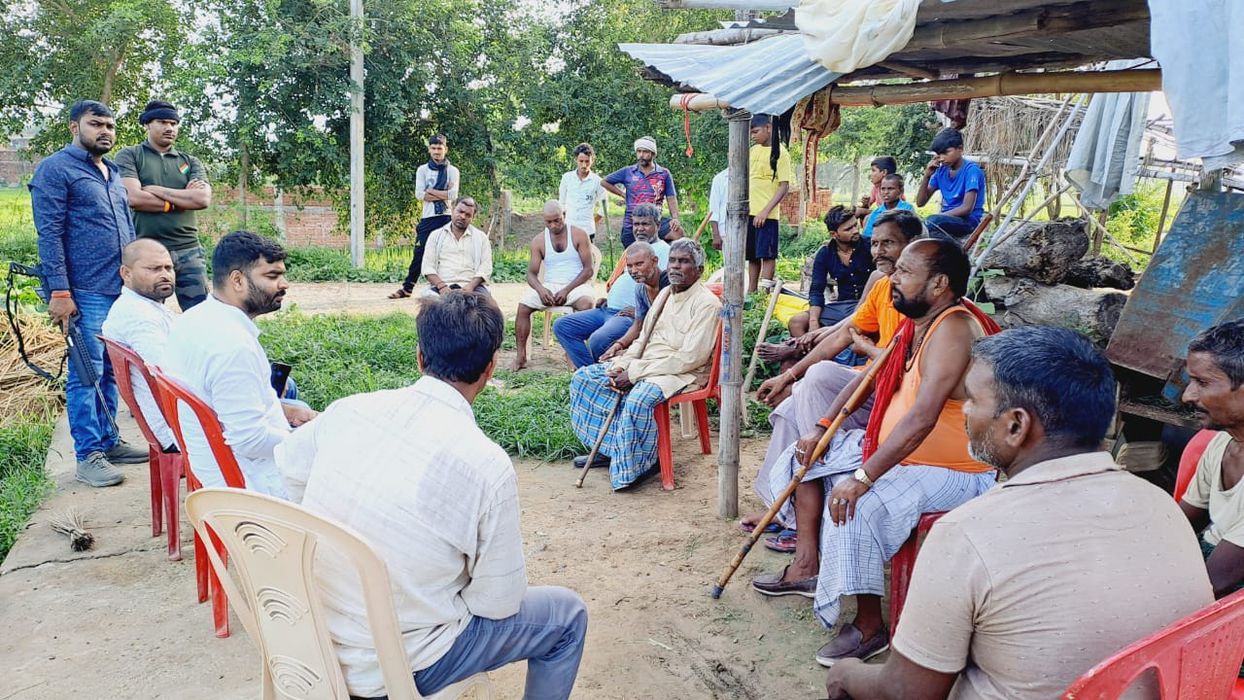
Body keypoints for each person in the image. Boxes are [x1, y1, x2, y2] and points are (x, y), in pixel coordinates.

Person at [825, 326, 1215, 700]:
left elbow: (905, 693)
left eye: (973, 400)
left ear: (1015, 425)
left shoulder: (967, 533)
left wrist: (846, 674)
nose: (965, 413)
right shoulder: (1160, 504)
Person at [275, 291, 588, 700]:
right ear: (490, 369)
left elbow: (289, 469)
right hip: (398, 666)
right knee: (567, 618)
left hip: (308, 636)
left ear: (420, 356)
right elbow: (497, 602)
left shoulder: (349, 409)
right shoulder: (487, 465)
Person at [751, 239, 1000, 667]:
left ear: (939, 284)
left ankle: (870, 627)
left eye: (904, 271)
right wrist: (822, 428)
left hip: (954, 468)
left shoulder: (954, 330)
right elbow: (868, 377)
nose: (892, 278)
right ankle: (807, 565)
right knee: (804, 456)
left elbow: (922, 419)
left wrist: (863, 477)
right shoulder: (917, 323)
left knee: (856, 503)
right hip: (905, 455)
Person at [29, 99, 147, 488]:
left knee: (113, 369)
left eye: (110, 126)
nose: (105, 132)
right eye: (96, 124)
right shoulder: (55, 170)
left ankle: (110, 441)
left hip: (119, 289)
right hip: (82, 289)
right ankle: (87, 455)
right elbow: (50, 233)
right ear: (73, 127)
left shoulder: (112, 173)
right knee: (87, 371)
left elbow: (126, 230)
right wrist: (60, 290)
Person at [162, 231, 317, 497]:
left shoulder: (194, 319)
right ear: (237, 280)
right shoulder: (232, 346)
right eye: (272, 276)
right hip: (252, 484)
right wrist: (309, 441)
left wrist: (286, 412)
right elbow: (249, 440)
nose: (284, 284)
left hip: (218, 466)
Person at [568, 239, 720, 490]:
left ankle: (644, 463)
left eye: (684, 262)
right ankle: (611, 448)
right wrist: (624, 363)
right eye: (673, 260)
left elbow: (691, 358)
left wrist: (635, 373)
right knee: (586, 378)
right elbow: (643, 338)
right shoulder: (663, 295)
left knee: (638, 398)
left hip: (681, 372)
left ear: (699, 270)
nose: (675, 267)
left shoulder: (707, 303)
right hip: (648, 362)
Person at [754, 209, 923, 403]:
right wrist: (815, 324)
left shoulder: (911, 292)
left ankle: (794, 353)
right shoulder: (830, 255)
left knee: (817, 376)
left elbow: (900, 359)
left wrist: (862, 346)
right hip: (844, 309)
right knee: (799, 323)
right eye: (876, 244)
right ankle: (796, 352)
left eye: (888, 243)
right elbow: (819, 294)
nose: (878, 251)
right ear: (834, 234)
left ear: (912, 244)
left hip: (887, 377)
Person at [114, 99, 212, 311]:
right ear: (147, 124)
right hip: (146, 250)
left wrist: (156, 190)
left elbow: (201, 199)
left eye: (174, 123)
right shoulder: (130, 155)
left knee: (199, 312)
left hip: (188, 249)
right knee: (147, 311)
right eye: (162, 122)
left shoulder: (189, 161)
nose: (169, 128)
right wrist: (182, 199)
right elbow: (133, 198)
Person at [552, 205, 669, 368]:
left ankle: (597, 374)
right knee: (562, 326)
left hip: (628, 316)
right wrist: (610, 297)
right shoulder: (633, 249)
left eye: (645, 224)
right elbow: (623, 279)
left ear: (658, 224)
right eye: (636, 224)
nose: (639, 229)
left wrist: (643, 312)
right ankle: (588, 370)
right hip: (607, 309)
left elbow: (666, 290)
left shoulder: (665, 251)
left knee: (598, 339)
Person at [1179, 319, 1244, 597]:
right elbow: (1178, 525)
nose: (1187, 396)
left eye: (1202, 382)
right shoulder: (1221, 443)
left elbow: (1214, 584)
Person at [101, 239, 179, 452]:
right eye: (154, 269)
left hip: (174, 419)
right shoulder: (139, 317)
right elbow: (170, 374)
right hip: (176, 429)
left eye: (168, 268)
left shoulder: (143, 306)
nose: (165, 274)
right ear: (126, 273)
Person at [512, 201, 596, 371]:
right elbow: (531, 274)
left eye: (557, 220)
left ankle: (573, 352)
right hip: (550, 286)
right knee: (523, 307)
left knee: (587, 304)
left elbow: (588, 270)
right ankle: (521, 356)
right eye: (548, 222)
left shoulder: (579, 234)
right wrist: (541, 290)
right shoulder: (538, 240)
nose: (553, 225)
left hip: (575, 285)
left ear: (564, 215)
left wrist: (567, 290)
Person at [785, 205, 874, 340]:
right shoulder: (825, 253)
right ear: (834, 234)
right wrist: (813, 323)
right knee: (796, 322)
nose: (855, 231)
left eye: (855, 225)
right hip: (842, 307)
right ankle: (814, 357)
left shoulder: (871, 246)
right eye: (848, 229)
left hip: (869, 306)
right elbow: (816, 290)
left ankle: (820, 352)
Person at [391, 134, 460, 298]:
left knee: (448, 253)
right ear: (429, 149)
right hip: (428, 217)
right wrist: (442, 193)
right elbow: (420, 195)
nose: (437, 151)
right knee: (420, 251)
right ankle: (407, 288)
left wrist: (431, 191)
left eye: (440, 148)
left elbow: (453, 195)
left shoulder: (452, 171)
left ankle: (448, 288)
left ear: (445, 149)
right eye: (434, 148)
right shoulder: (422, 170)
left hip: (446, 216)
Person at [596, 241, 669, 364]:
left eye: (639, 264)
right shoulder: (640, 289)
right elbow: (638, 325)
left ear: (655, 261)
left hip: (667, 345)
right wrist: (619, 344)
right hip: (651, 341)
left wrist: (632, 351)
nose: (633, 271)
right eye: (629, 266)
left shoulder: (669, 284)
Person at [603, 136, 683, 245]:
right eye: (639, 151)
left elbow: (671, 197)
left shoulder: (664, 173)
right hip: (632, 224)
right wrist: (622, 194)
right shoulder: (628, 171)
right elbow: (604, 182)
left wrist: (675, 218)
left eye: (645, 152)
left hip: (655, 222)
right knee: (634, 258)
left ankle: (672, 258)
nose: (641, 155)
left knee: (678, 233)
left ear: (653, 154)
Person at [746, 114, 793, 292]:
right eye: (751, 133)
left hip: (767, 215)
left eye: (756, 132)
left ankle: (764, 293)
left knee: (766, 254)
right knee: (752, 255)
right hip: (749, 212)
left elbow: (784, 186)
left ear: (768, 128)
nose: (753, 136)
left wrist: (765, 211)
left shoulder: (781, 153)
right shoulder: (753, 151)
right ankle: (751, 292)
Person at [916, 128, 986, 243]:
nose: (942, 158)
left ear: (960, 149)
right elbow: (920, 202)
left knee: (930, 223)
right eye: (939, 154)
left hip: (968, 221)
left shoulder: (971, 171)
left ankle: (955, 250)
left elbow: (966, 208)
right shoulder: (941, 171)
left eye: (946, 152)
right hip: (946, 219)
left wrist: (937, 217)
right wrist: (927, 176)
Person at [420, 197, 492, 296]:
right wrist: (442, 287)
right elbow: (427, 267)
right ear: (452, 209)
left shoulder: (481, 238)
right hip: (441, 286)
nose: (463, 217)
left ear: (472, 218)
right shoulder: (435, 236)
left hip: (473, 288)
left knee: (486, 306)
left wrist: (470, 286)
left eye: (468, 215)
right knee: (430, 302)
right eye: (460, 211)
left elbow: (485, 268)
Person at [558, 142, 604, 240]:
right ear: (576, 160)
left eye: (587, 161)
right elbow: (561, 203)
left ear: (592, 160)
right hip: (568, 229)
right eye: (581, 161)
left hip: (588, 230)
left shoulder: (598, 181)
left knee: (588, 255)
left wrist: (592, 222)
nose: (584, 165)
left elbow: (604, 208)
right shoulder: (567, 178)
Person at [860, 174, 915, 240]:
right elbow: (867, 236)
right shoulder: (876, 213)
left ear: (901, 190)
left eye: (890, 189)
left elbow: (910, 233)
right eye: (883, 189)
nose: (886, 192)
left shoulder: (907, 209)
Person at [707, 167, 729, 251]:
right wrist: (716, 235)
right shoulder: (719, 179)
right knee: (730, 263)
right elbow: (713, 210)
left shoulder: (752, 176)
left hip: (750, 229)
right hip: (726, 232)